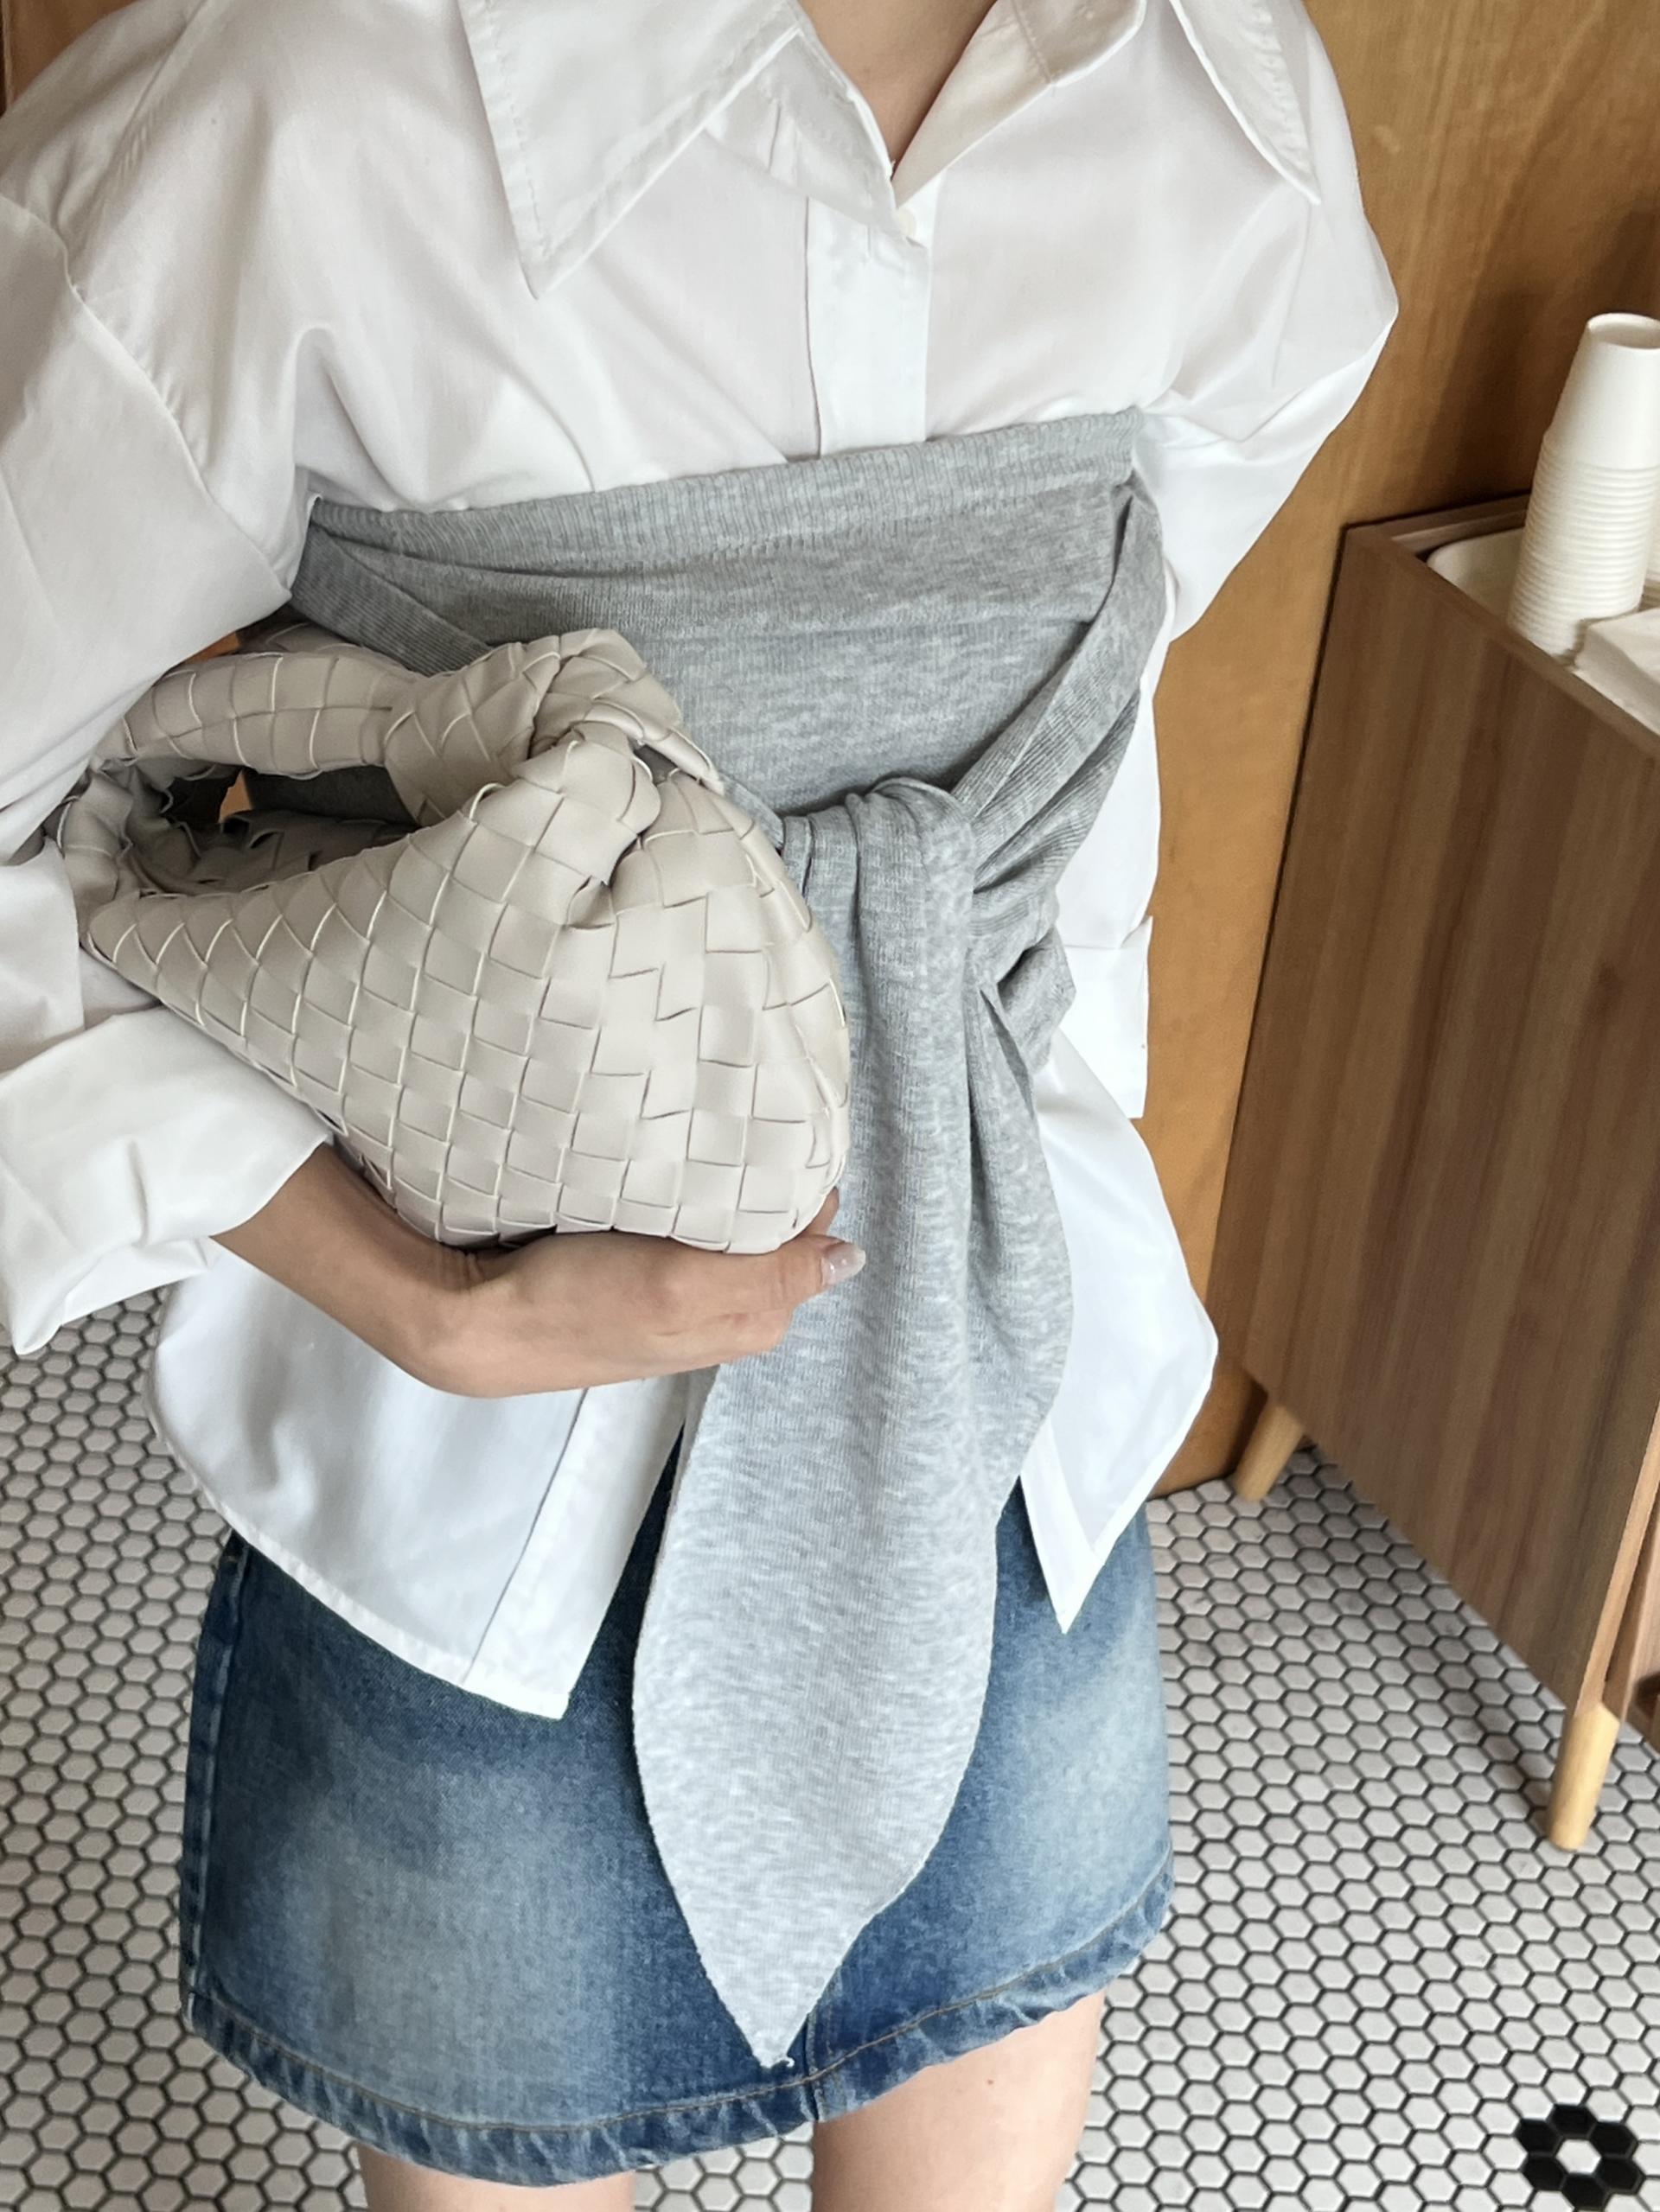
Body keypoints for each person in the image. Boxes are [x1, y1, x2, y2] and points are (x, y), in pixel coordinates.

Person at [0, 0, 1397, 2203]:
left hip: (1003, 1413)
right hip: (477, 1499)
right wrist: (400, 1289)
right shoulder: (291, 110)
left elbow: (1097, 721)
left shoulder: (1238, 126)